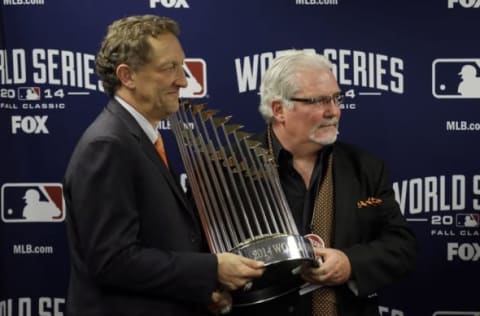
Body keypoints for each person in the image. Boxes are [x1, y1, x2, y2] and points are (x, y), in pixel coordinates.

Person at [63, 15, 265, 316]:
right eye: (169, 68)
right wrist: (212, 269)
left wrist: (202, 291)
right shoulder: (107, 145)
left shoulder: (137, 136)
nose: (183, 80)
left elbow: (158, 240)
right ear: (127, 76)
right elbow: (113, 262)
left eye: (181, 67)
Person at [230, 50, 417, 316]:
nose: (333, 111)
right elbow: (203, 260)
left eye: (336, 98)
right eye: (318, 101)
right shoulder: (227, 170)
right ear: (279, 109)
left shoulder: (366, 167)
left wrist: (350, 263)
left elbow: (402, 245)